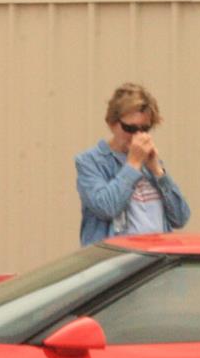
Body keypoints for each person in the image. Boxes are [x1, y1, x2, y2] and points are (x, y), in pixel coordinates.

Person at [75, 82, 190, 244]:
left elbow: (180, 217)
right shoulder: (91, 161)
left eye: (144, 129)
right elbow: (106, 207)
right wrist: (133, 164)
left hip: (155, 262)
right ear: (112, 123)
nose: (137, 135)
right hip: (119, 264)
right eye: (130, 128)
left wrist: (157, 171)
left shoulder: (149, 162)